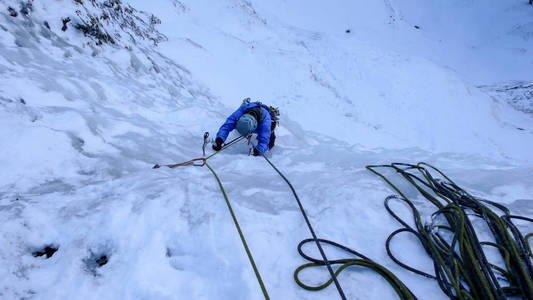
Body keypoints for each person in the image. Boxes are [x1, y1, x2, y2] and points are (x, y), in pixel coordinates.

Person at [213, 100, 278, 156]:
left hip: (263, 120)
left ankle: (269, 152)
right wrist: (219, 139)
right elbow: (227, 126)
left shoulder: (266, 121)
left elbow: (264, 140)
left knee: (271, 137)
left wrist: (259, 150)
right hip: (250, 109)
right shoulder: (241, 112)